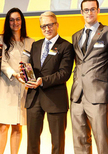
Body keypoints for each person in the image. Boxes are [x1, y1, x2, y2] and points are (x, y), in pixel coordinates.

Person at [71, 0, 108, 154]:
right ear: (81, 12)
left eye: (92, 9)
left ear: (98, 10)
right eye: (86, 10)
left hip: (98, 95)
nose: (89, 12)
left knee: (102, 140)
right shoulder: (76, 36)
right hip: (77, 96)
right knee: (80, 141)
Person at [24, 11, 74, 154]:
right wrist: (26, 76)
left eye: (50, 25)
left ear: (56, 24)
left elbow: (64, 73)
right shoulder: (36, 45)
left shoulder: (66, 46)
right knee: (32, 142)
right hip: (33, 98)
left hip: (55, 100)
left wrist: (42, 81)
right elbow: (32, 68)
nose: (47, 29)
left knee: (57, 142)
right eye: (43, 26)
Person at [0, 8, 34, 154]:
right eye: (11, 20)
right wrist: (14, 74)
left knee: (18, 125)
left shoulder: (30, 42)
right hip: (5, 86)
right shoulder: (0, 39)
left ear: (22, 21)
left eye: (18, 19)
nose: (15, 22)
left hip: (23, 89)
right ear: (8, 22)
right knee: (3, 125)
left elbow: (32, 64)